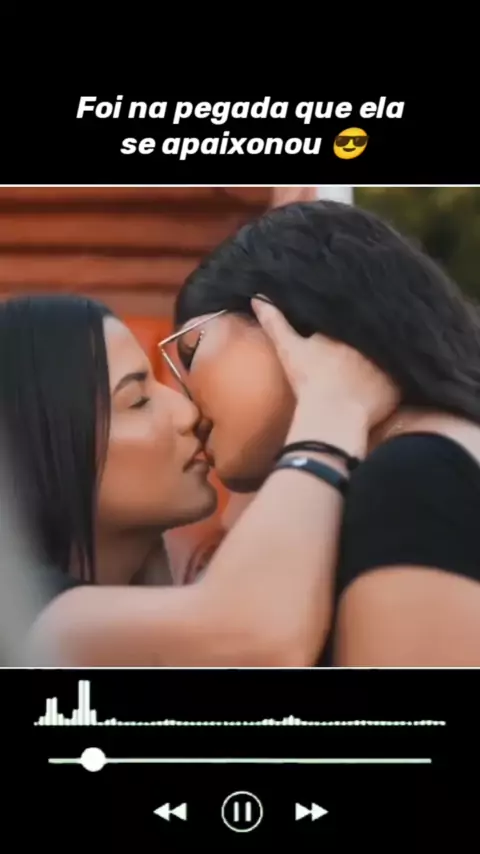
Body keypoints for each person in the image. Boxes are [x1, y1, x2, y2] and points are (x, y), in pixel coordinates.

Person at [2, 293, 390, 666]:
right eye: (138, 401)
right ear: (37, 445)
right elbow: (255, 638)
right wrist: (329, 411)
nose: (188, 413)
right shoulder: (21, 622)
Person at [170, 199, 480, 665]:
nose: (182, 401)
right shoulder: (434, 463)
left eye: (190, 350)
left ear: (289, 317)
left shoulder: (414, 477)